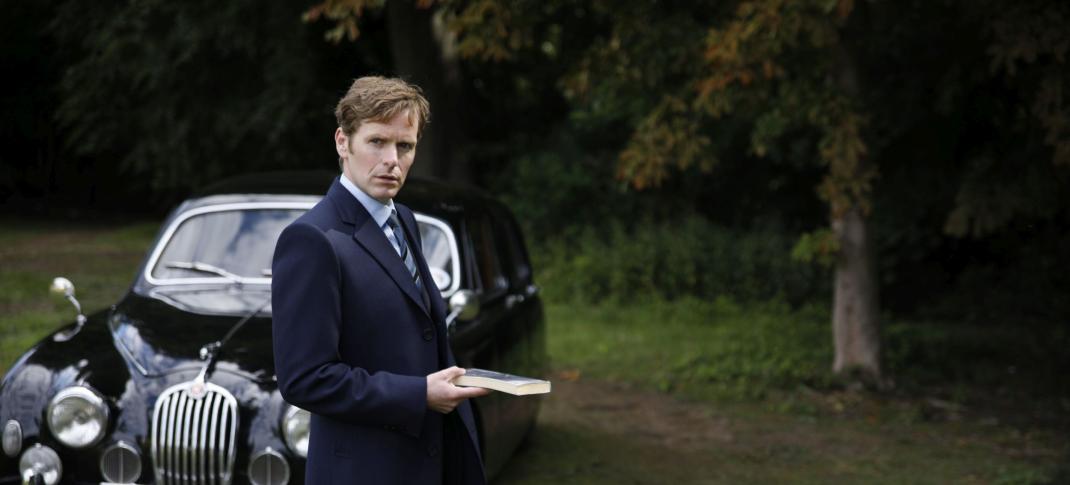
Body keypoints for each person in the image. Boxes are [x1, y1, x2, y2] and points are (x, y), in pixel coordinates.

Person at [271, 76, 490, 485]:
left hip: (425, 461)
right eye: (377, 142)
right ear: (343, 142)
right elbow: (305, 380)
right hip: (363, 469)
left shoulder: (403, 219)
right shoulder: (313, 240)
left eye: (404, 146)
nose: (392, 159)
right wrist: (419, 394)